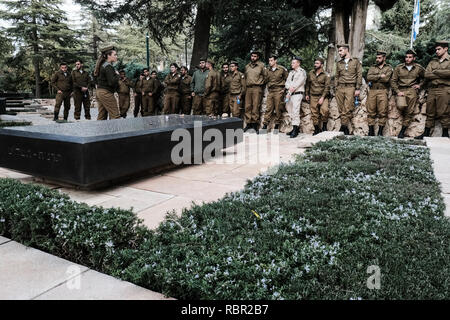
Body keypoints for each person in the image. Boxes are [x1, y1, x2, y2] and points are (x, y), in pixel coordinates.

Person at [416, 40, 450, 139]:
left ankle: (445, 133)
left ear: (446, 49)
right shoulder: (432, 62)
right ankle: (426, 133)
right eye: (436, 49)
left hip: (444, 89)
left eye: (439, 49)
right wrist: (442, 74)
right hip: (432, 90)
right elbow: (426, 74)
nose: (437, 51)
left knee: (444, 112)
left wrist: (436, 72)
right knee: (429, 111)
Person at [391, 49, 425, 138]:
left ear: (414, 58)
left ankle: (402, 131)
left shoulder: (418, 68)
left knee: (409, 112)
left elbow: (426, 78)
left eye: (410, 57)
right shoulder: (399, 67)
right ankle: (404, 122)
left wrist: (419, 85)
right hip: (401, 90)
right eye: (406, 57)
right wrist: (397, 91)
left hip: (412, 90)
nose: (407, 59)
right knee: (401, 106)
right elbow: (393, 81)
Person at [335, 44, 362, 135]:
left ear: (346, 50)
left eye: (341, 51)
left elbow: (359, 75)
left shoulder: (355, 61)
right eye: (339, 51)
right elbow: (336, 76)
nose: (339, 53)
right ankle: (345, 128)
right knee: (340, 108)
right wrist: (336, 87)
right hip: (340, 88)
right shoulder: (339, 63)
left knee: (347, 108)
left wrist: (357, 88)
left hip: (351, 87)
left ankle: (343, 127)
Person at [365, 50, 393, 136]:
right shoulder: (372, 67)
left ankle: (380, 132)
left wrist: (375, 77)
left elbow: (386, 79)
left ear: (384, 58)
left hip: (383, 91)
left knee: (382, 111)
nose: (377, 59)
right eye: (377, 57)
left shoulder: (388, 68)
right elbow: (368, 77)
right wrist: (380, 76)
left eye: (379, 58)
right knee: (371, 111)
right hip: (372, 91)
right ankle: (371, 131)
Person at [93, 45, 121, 120]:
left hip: (99, 92)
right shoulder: (108, 67)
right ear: (108, 56)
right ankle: (116, 131)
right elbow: (111, 82)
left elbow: (95, 79)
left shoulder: (102, 65)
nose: (116, 56)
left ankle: (100, 131)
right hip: (106, 93)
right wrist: (117, 76)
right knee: (115, 115)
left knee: (102, 116)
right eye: (114, 55)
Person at [262, 54, 288, 132]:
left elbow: (288, 80)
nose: (270, 62)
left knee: (278, 108)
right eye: (269, 61)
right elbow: (265, 80)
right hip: (271, 91)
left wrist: (284, 89)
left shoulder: (282, 69)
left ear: (275, 61)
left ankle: (277, 126)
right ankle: (265, 126)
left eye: (271, 60)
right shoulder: (267, 70)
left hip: (279, 91)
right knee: (268, 108)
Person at [306, 57, 331, 135]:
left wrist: (322, 97)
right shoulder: (311, 73)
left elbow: (327, 87)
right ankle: (316, 129)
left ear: (322, 65)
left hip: (323, 95)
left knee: (325, 110)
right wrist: (307, 94)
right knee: (314, 112)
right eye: (315, 63)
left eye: (317, 63)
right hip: (313, 95)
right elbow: (308, 84)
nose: (315, 65)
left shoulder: (326, 75)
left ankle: (324, 127)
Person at [244, 50, 267, 132]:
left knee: (255, 106)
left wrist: (261, 86)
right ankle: (248, 124)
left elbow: (265, 77)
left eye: (255, 56)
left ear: (258, 57)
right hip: (248, 88)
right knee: (247, 106)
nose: (253, 58)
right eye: (252, 56)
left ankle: (255, 125)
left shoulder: (261, 66)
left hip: (257, 88)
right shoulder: (247, 66)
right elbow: (245, 78)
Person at [285, 56, 307, 138]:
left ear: (298, 63)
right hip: (290, 94)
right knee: (290, 110)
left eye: (293, 63)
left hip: (297, 93)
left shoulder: (302, 72)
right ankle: (293, 127)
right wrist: (289, 88)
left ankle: (296, 129)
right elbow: (286, 83)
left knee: (295, 111)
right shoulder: (291, 73)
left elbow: (298, 83)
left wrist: (290, 91)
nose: (292, 64)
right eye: (292, 63)